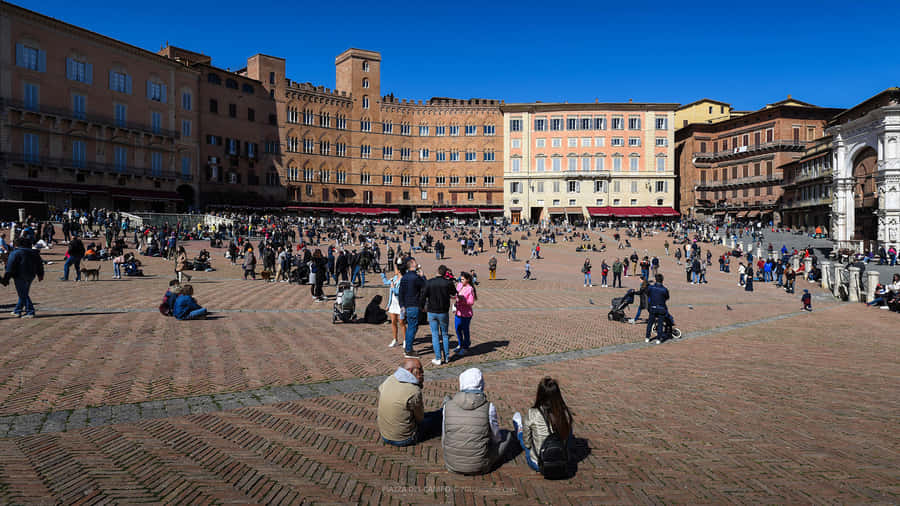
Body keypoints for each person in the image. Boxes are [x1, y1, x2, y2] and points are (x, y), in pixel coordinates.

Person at [441, 368, 515, 475]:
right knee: (507, 435)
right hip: (480, 466)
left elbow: (444, 437)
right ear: (481, 384)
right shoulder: (488, 407)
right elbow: (496, 438)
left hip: (451, 465)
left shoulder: (447, 406)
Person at [512, 376, 574, 473]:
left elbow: (527, 444)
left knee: (523, 438)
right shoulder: (565, 413)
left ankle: (519, 428)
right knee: (569, 430)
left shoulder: (533, 413)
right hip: (562, 462)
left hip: (540, 464)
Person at [377, 358, 441, 447]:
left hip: (385, 434)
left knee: (430, 414)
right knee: (436, 419)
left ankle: (442, 411)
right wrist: (419, 382)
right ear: (411, 371)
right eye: (420, 369)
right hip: (404, 438)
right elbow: (420, 418)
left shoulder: (390, 379)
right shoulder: (414, 391)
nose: (422, 372)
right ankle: (445, 412)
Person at [420, 265, 457, 366]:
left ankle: (438, 357)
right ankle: (447, 357)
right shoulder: (448, 283)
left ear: (437, 271)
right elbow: (454, 293)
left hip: (432, 311)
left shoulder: (429, 282)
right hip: (443, 311)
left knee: (435, 335)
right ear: (445, 273)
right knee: (444, 334)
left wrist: (422, 307)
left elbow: (423, 296)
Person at [3, 237, 44, 318]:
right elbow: (40, 264)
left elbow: (10, 266)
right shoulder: (34, 252)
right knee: (24, 292)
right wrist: (40, 274)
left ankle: (30, 311)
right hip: (31, 275)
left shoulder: (15, 253)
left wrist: (6, 278)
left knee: (23, 294)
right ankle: (17, 310)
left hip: (19, 275)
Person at [398, 257, 426, 358]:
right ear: (412, 264)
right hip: (414, 305)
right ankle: (408, 350)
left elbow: (401, 293)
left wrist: (402, 305)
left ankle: (408, 348)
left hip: (407, 305)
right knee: (412, 327)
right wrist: (423, 276)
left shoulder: (404, 277)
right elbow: (424, 286)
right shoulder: (415, 277)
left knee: (412, 326)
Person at [381, 265, 407, 347]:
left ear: (399, 271)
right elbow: (386, 282)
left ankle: (405, 340)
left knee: (402, 322)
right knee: (393, 322)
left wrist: (392, 288)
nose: (394, 270)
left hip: (400, 304)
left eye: (395, 269)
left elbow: (399, 292)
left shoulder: (403, 280)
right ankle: (395, 339)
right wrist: (383, 274)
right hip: (393, 304)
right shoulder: (394, 278)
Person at [454, 271, 477, 356]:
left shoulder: (470, 288)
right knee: (457, 329)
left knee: (465, 330)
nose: (461, 280)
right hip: (458, 312)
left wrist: (462, 299)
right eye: (460, 279)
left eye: (463, 279)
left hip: (466, 313)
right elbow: (455, 295)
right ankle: (460, 344)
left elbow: (471, 302)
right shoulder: (459, 285)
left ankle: (466, 346)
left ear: (467, 280)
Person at [645, 273, 669, 344]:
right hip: (661, 308)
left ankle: (647, 337)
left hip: (653, 307)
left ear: (656, 280)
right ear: (662, 280)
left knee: (650, 323)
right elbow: (667, 297)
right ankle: (658, 339)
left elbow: (647, 293)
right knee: (660, 324)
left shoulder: (651, 287)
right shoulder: (664, 289)